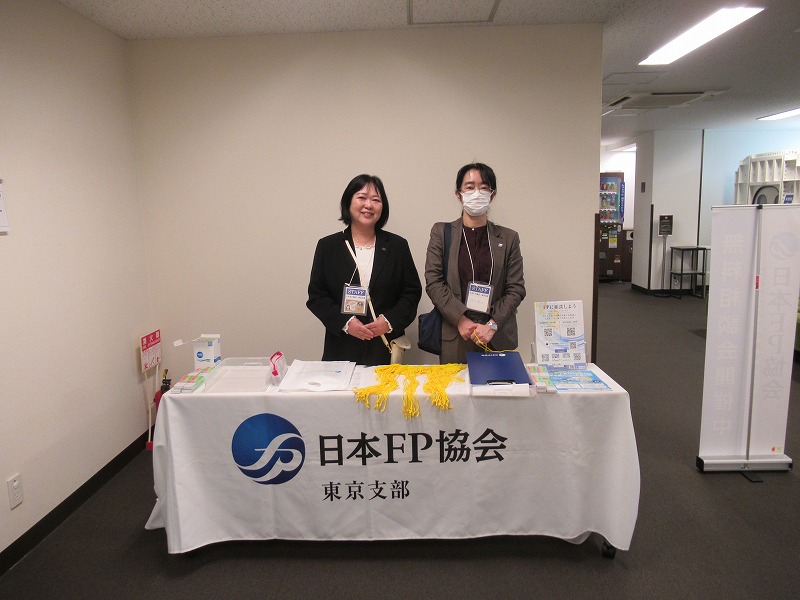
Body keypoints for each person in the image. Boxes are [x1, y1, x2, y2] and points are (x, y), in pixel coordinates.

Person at [308, 174, 422, 366]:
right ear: (348, 202)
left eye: (376, 200)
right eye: (361, 197)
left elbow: (411, 292)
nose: (368, 205)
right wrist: (345, 323)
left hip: (384, 348)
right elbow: (317, 296)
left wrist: (389, 321)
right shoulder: (328, 246)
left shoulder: (397, 245)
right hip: (341, 348)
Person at [424, 163, 526, 363]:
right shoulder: (441, 232)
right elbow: (434, 282)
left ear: (492, 195)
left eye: (484, 187)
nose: (477, 193)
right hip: (456, 334)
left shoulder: (509, 238)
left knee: (498, 383)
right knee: (456, 384)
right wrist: (460, 319)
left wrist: (492, 325)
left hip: (496, 335)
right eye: (470, 187)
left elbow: (516, 289)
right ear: (459, 194)